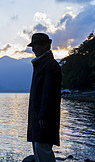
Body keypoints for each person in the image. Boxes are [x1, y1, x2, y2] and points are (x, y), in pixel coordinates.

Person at [27, 33, 62, 162]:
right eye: (33, 46)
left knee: (42, 148)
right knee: (39, 148)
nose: (34, 48)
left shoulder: (50, 65)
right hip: (39, 116)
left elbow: (50, 93)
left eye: (37, 45)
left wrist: (44, 115)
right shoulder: (41, 64)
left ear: (47, 45)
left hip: (43, 118)